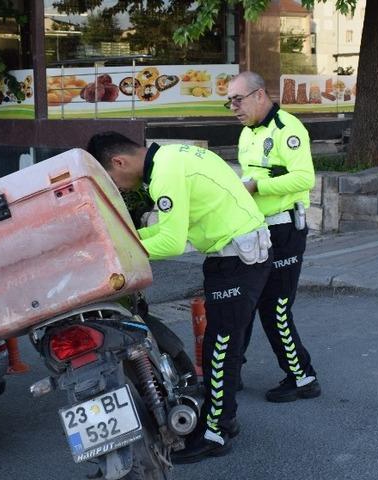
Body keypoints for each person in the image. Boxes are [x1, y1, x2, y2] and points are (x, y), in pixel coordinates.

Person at [87, 132, 272, 463]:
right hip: (235, 256)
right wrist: (123, 239)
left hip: (237, 260)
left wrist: (118, 253)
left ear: (119, 162)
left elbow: (171, 242)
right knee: (222, 346)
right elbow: (172, 230)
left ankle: (216, 433)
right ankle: (223, 420)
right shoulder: (173, 158)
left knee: (221, 349)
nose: (120, 188)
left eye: (113, 180)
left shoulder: (165, 174)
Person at [227, 71, 321, 403]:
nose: (233, 107)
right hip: (256, 228)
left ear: (260, 95)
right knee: (244, 303)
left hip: (285, 230)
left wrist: (257, 186)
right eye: (229, 102)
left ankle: (302, 376)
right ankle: (230, 375)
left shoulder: (288, 129)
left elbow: (304, 178)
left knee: (275, 307)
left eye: (238, 99)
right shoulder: (246, 134)